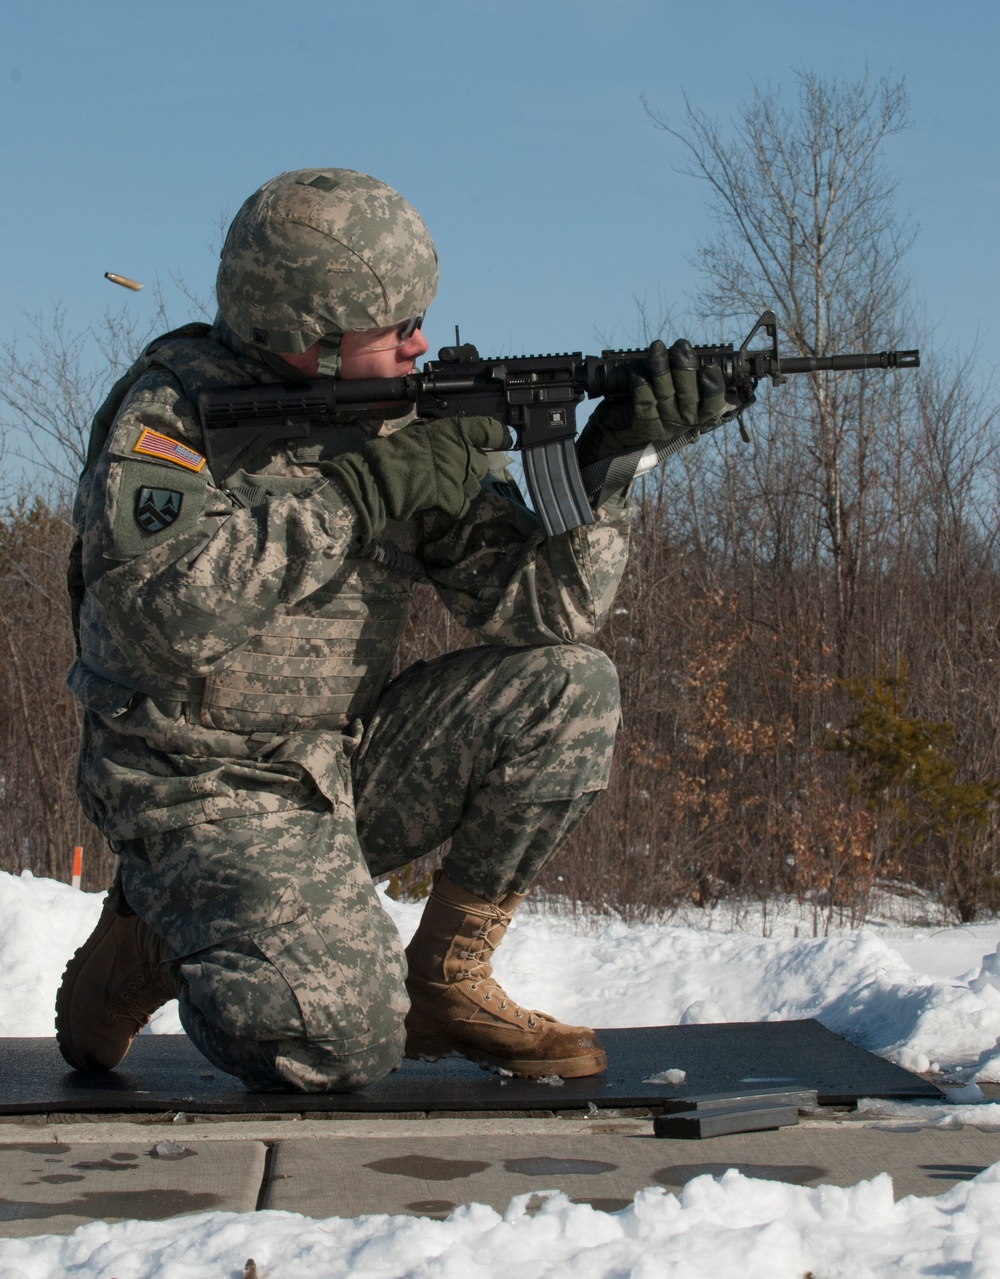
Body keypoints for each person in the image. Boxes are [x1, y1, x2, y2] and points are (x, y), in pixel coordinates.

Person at [55, 168, 738, 1092]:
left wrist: (608, 466)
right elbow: (163, 617)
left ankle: (447, 977)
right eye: (396, 329)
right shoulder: (173, 414)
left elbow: (547, 613)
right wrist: (359, 491)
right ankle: (152, 934)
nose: (422, 343)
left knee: (570, 689)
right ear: (309, 337)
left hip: (334, 766)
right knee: (340, 1043)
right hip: (191, 783)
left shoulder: (401, 418)